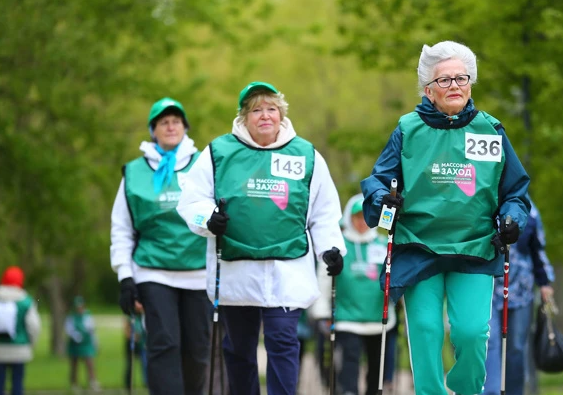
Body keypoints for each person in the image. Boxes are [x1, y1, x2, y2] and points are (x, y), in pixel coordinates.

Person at [360, 40, 531, 395]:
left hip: (474, 247)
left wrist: (512, 220)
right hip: (418, 245)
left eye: (461, 78)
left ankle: (466, 388)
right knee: (425, 331)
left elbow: (514, 192)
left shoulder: (490, 131)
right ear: (429, 91)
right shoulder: (408, 130)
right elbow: (378, 181)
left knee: (471, 333)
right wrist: (383, 197)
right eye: (445, 80)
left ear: (470, 85)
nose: (454, 85)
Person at [176, 81, 346, 395]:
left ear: (281, 114)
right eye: (256, 110)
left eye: (271, 109)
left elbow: (323, 211)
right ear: (244, 117)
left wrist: (331, 249)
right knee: (238, 348)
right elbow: (191, 200)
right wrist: (207, 218)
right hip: (236, 270)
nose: (265, 116)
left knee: (283, 341)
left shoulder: (306, 155)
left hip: (287, 271)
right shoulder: (219, 151)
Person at [110, 97, 213, 395]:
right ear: (153, 130)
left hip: (197, 273)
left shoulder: (204, 165)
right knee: (164, 343)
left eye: (176, 121)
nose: (171, 126)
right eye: (163, 122)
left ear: (184, 128)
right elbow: (121, 228)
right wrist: (125, 277)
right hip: (153, 273)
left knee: (197, 349)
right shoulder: (134, 172)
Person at [311, 194, 396, 395]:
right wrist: (322, 312)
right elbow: (324, 278)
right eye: (357, 217)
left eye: (366, 218)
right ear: (349, 217)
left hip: (379, 321)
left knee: (377, 374)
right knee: (348, 370)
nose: (361, 223)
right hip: (346, 320)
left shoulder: (383, 245)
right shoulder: (339, 247)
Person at [481, 197, 555, 395]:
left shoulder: (531, 211)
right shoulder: (485, 200)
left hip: (521, 290)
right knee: (490, 342)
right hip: (488, 287)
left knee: (515, 348)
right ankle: (491, 392)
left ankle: (514, 392)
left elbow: (538, 249)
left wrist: (545, 282)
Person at [0, 266, 41, 395]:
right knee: (17, 383)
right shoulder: (26, 301)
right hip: (19, 349)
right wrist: (30, 344)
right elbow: (34, 326)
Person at [65, 296, 100, 392]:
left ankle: (93, 382)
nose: (79, 309)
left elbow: (92, 330)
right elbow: (69, 329)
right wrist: (76, 336)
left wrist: (95, 342)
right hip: (75, 343)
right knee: (74, 364)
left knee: (89, 362)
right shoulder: (71, 316)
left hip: (86, 342)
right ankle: (74, 384)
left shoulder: (88, 316)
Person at [124, 312, 148, 390]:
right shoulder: (130, 317)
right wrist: (133, 336)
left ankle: (147, 382)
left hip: (143, 344)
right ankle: (129, 385)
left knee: (145, 363)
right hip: (133, 343)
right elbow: (127, 331)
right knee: (130, 364)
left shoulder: (144, 316)